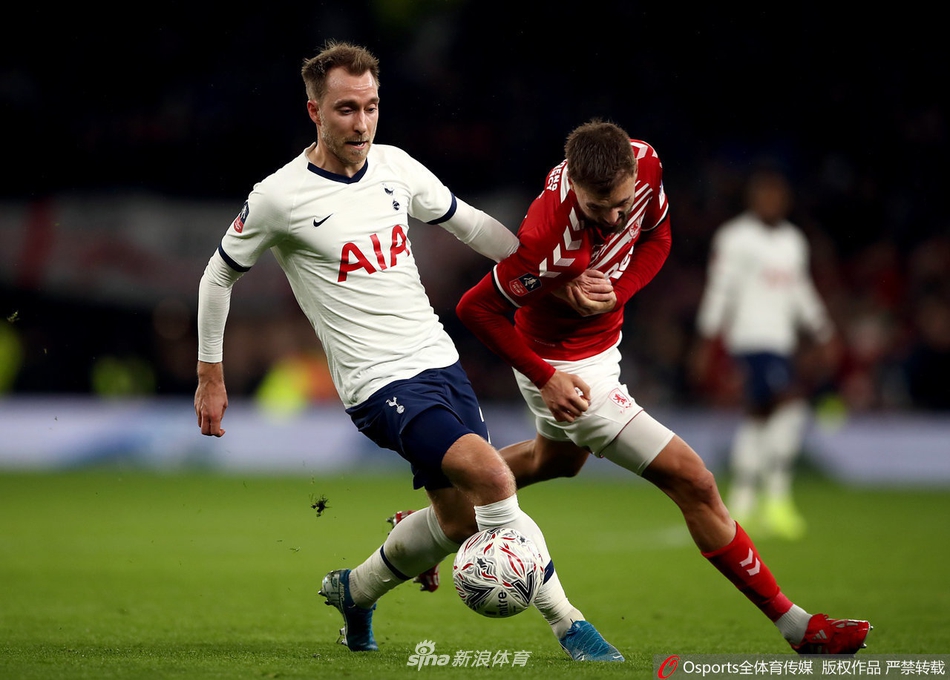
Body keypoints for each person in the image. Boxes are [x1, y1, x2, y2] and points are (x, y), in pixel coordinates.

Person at [193, 41, 622, 662]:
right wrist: (212, 375)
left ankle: (355, 591)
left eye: (370, 107)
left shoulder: (396, 166)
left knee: (457, 521)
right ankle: (570, 625)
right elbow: (217, 277)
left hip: (439, 361)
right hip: (377, 384)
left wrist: (553, 278)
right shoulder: (278, 197)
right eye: (345, 109)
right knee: (494, 478)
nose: (361, 123)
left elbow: (471, 225)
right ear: (312, 110)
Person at [448, 120, 869, 654]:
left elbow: (658, 235)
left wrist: (618, 290)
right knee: (695, 482)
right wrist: (546, 378)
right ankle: (797, 626)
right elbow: (475, 309)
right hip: (566, 368)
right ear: (573, 183)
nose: (615, 216)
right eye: (600, 207)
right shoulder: (545, 239)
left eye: (621, 202)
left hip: (603, 346)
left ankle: (441, 508)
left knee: (552, 462)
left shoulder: (645, 164)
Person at [693, 167, 838, 540]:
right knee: (786, 407)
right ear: (752, 199)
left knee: (761, 416)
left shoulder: (792, 241)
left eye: (777, 195)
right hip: (750, 340)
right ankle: (774, 498)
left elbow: (800, 291)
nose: (771, 201)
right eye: (764, 194)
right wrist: (707, 341)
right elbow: (719, 290)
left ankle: (744, 500)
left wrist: (822, 330)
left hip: (781, 342)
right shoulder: (735, 238)